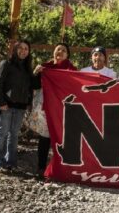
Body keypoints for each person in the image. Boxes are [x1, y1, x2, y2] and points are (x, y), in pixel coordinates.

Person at [32, 43, 77, 177]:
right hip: (46, 108)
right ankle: (41, 168)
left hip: (64, 109)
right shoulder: (45, 67)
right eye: (58, 50)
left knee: (62, 140)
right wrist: (36, 73)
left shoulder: (72, 70)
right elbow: (34, 85)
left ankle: (61, 169)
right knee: (45, 139)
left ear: (67, 55)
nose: (61, 52)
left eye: (64, 50)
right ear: (54, 52)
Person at [0, 40, 33, 172]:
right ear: (15, 49)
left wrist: (29, 102)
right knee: (2, 133)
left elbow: (31, 86)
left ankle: (11, 163)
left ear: (29, 52)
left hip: (20, 107)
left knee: (14, 135)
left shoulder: (27, 68)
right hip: (6, 105)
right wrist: (1, 102)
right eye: (20, 48)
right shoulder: (6, 64)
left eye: (26, 49)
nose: (23, 51)